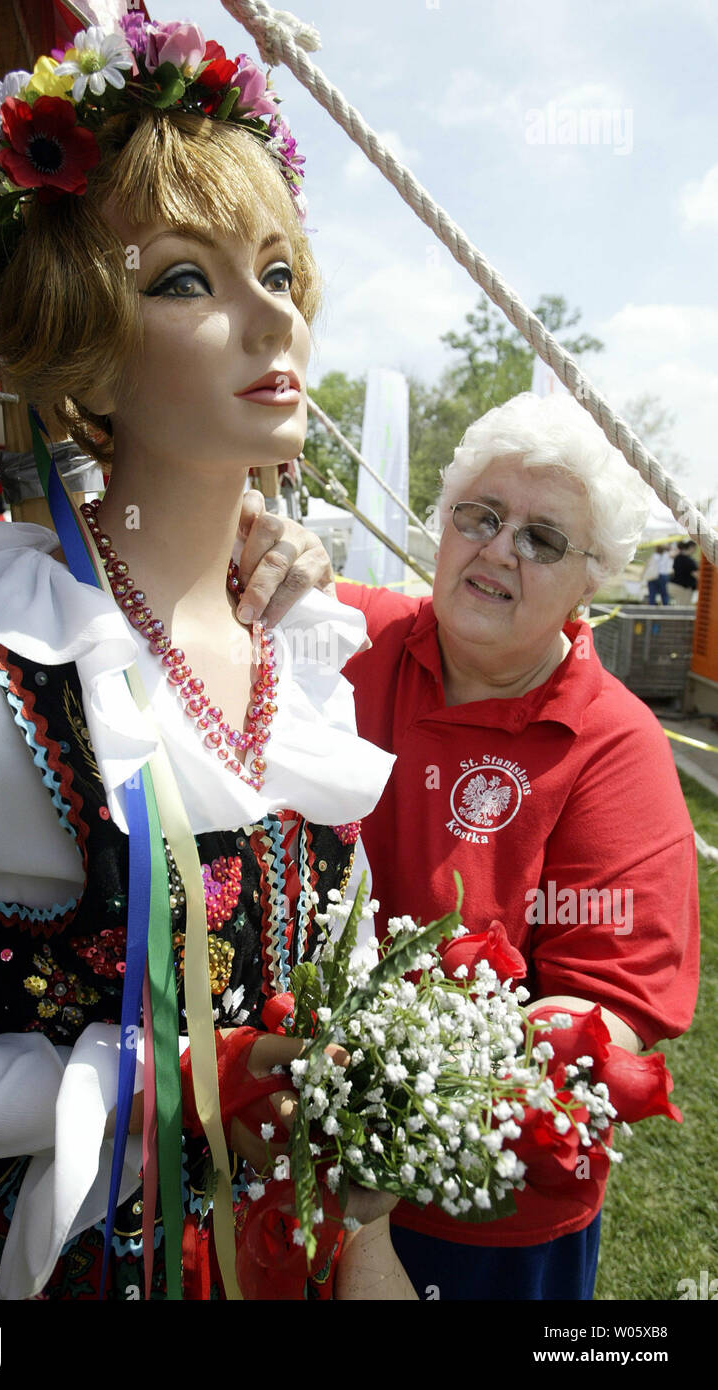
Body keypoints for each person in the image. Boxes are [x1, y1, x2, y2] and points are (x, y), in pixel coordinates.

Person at [0, 14, 413, 1301]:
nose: (267, 318)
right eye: (184, 278)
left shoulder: (300, 655)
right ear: (86, 344)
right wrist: (109, 1091)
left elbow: (347, 978)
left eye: (276, 271)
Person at [241, 391, 699, 1299]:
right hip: (292, 1160)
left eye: (542, 538)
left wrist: (400, 1098)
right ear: (441, 527)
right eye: (479, 517)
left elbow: (609, 1008)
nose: (497, 549)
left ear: (593, 578)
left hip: (481, 1216)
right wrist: (277, 553)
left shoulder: (612, 744)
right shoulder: (346, 640)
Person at [670, 540, 699, 604]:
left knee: (679, 606)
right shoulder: (689, 561)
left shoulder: (678, 557)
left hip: (675, 584)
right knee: (683, 608)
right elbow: (696, 575)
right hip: (684, 588)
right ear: (691, 547)